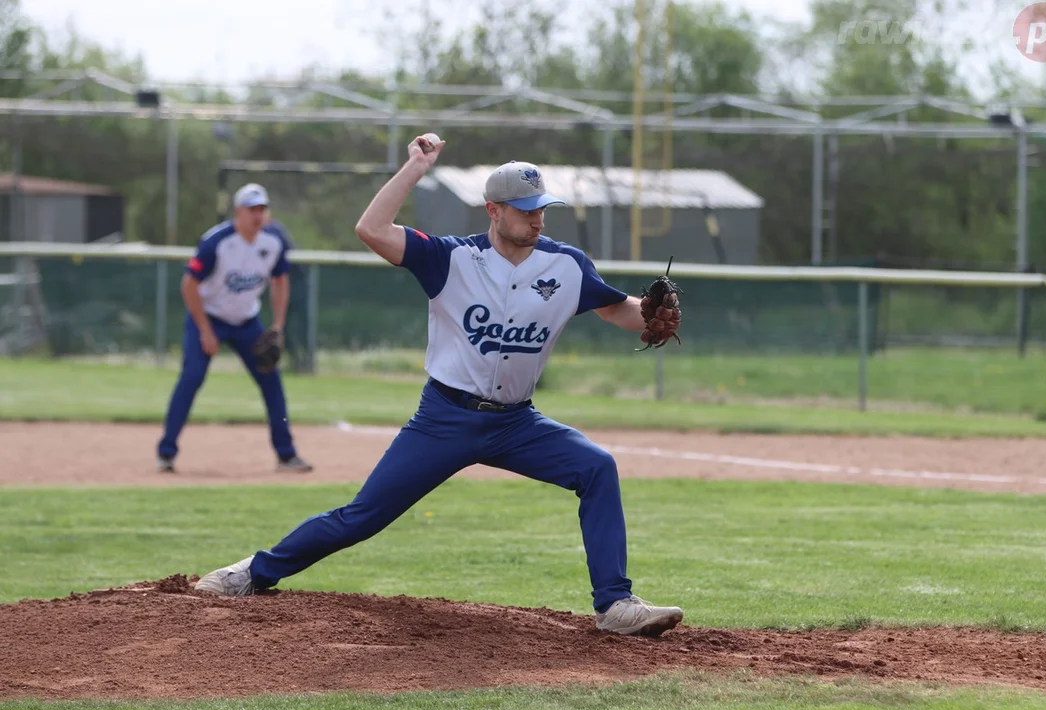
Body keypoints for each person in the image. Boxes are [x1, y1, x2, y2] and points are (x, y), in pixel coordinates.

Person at [194, 136, 684, 637]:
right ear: (494, 210)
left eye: (542, 209)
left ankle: (615, 605)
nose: (538, 219)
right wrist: (415, 168)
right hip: (445, 419)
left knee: (596, 467)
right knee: (362, 517)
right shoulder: (450, 259)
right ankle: (254, 571)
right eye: (525, 210)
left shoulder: (566, 264)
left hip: (517, 422)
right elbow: (371, 229)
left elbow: (612, 306)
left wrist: (647, 316)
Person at [155, 183, 313, 474]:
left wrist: (277, 326)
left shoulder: (273, 241)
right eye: (252, 209)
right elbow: (188, 285)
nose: (257, 215)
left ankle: (286, 455)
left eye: (262, 209)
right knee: (191, 378)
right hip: (209, 316)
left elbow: (280, 281)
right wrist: (204, 330)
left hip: (246, 322)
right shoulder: (217, 242)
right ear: (238, 212)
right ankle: (166, 452)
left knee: (272, 383)